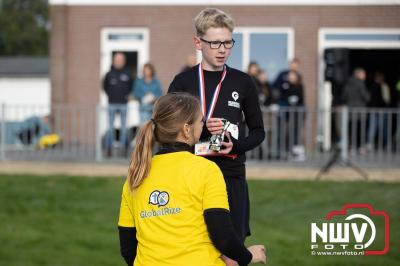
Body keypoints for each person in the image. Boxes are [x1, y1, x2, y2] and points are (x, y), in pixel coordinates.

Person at [118, 93, 266, 266]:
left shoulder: (136, 176)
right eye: (200, 121)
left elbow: (128, 248)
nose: (203, 125)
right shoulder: (206, 170)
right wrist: (248, 256)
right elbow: (222, 235)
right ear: (187, 129)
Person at [168, 8, 265, 244]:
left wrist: (234, 146)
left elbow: (258, 132)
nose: (222, 49)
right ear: (198, 42)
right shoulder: (183, 81)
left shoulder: (243, 81)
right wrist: (198, 138)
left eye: (228, 42)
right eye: (214, 43)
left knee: (232, 247)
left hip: (230, 175)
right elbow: (168, 131)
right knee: (193, 245)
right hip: (191, 174)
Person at [103, 52, 133, 156]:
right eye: (117, 60)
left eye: (120, 60)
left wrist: (127, 96)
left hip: (124, 104)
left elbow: (131, 86)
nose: (119, 62)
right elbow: (105, 87)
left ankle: (123, 149)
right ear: (113, 61)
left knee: (124, 128)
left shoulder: (128, 73)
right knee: (110, 127)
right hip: (111, 104)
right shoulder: (109, 74)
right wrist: (111, 96)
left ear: (123, 61)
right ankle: (109, 149)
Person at [341, 67, 370, 150]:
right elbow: (366, 97)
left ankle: (351, 146)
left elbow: (344, 96)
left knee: (351, 130)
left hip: (350, 110)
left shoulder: (348, 83)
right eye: (363, 74)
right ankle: (360, 146)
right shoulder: (361, 84)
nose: (365, 75)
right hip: (360, 110)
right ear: (358, 74)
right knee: (360, 130)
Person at [366, 71, 391, 150]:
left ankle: (371, 143)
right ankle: (385, 144)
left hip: (376, 109)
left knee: (375, 127)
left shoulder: (371, 86)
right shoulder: (382, 86)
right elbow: (386, 99)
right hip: (381, 110)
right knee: (382, 128)